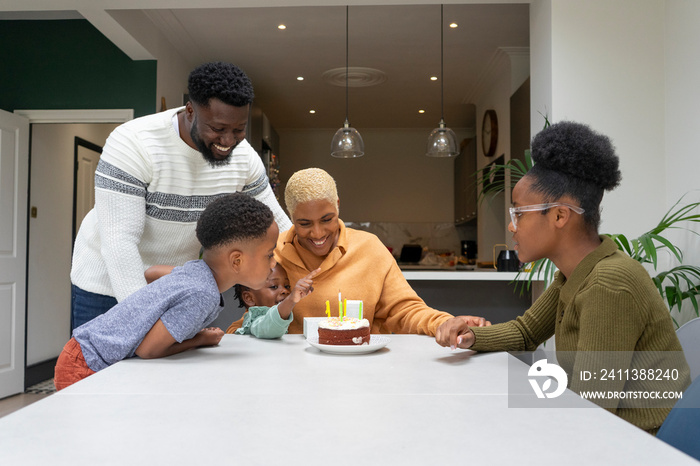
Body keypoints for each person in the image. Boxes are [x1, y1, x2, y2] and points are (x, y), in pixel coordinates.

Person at [435, 121, 691, 434]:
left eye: (519, 213)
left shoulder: (608, 283)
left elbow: (591, 410)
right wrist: (470, 337)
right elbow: (528, 331)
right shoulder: (577, 273)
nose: (511, 226)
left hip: (642, 445)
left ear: (559, 215)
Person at [70, 61, 292, 330]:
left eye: (238, 129)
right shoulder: (133, 142)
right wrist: (143, 321)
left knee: (166, 370)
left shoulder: (243, 157)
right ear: (190, 111)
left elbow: (280, 229)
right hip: (106, 285)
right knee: (99, 369)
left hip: (173, 287)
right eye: (218, 129)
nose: (229, 141)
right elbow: (119, 243)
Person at [54, 193, 279, 390]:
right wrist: (200, 339)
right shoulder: (202, 295)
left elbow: (152, 272)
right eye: (269, 254)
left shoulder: (195, 271)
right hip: (87, 365)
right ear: (237, 260)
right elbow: (148, 350)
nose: (273, 261)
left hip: (81, 351)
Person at [227, 167, 488, 336]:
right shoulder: (274, 255)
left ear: (338, 206)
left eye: (327, 219)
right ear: (291, 216)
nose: (317, 234)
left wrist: (445, 322)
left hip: (363, 374)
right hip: (290, 375)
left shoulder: (370, 248)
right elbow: (253, 316)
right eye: (304, 223)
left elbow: (405, 311)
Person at [226, 264, 320, 338]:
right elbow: (270, 326)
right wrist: (290, 300)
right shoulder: (254, 320)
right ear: (249, 298)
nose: (285, 291)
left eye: (287, 286)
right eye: (274, 286)